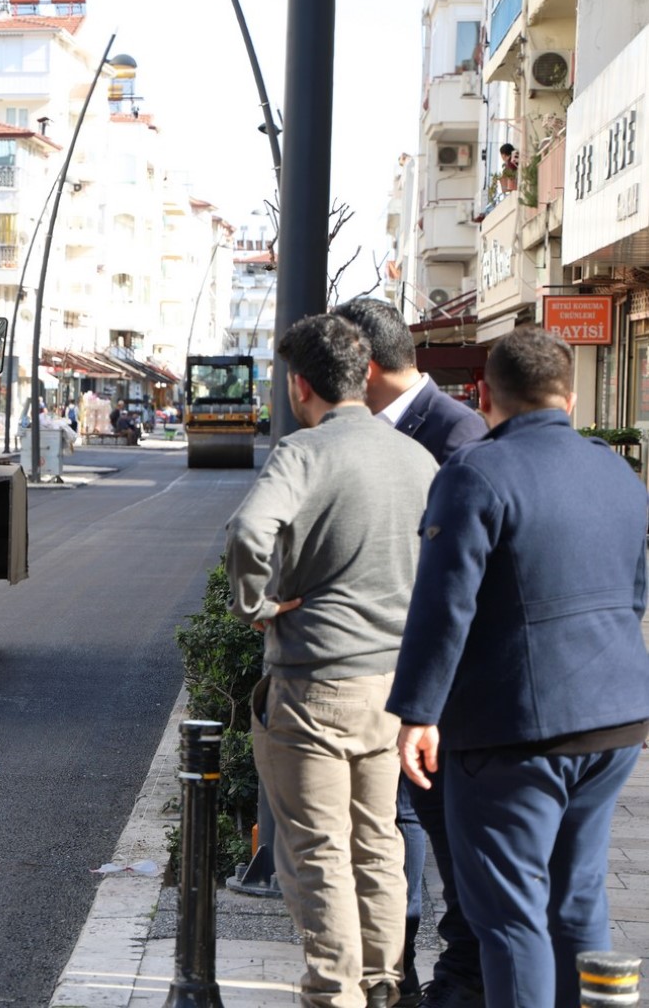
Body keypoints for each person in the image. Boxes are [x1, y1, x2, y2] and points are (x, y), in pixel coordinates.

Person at [389, 327, 649, 1008]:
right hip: (614, 720)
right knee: (577, 898)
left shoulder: (475, 471)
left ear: (483, 393)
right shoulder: (614, 470)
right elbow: (634, 589)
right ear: (568, 393)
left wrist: (416, 712)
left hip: (512, 731)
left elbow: (443, 604)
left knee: (507, 916)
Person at [225, 314, 438, 1008]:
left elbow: (251, 529)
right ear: (364, 373)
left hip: (314, 682)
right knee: (377, 840)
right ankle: (381, 985)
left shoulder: (303, 453)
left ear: (297, 385)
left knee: (317, 850)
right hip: (393, 686)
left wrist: (257, 603)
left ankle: (332, 993)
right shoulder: (415, 457)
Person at [335, 297, 490, 1007]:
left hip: (436, 686)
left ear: (362, 366)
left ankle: (455, 976)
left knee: (441, 833)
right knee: (400, 822)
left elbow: (462, 578)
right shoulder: (387, 429)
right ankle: (403, 969)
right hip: (391, 672)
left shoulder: (454, 436)